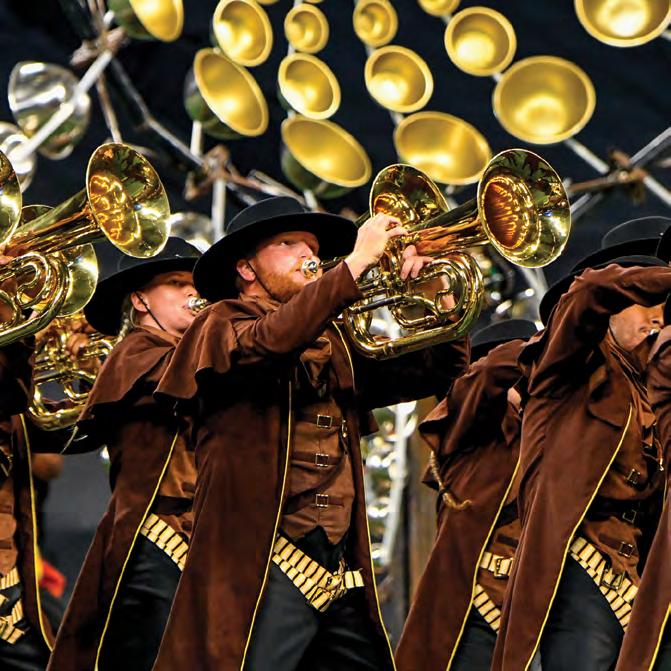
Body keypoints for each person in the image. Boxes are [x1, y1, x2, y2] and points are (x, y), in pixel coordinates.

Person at [150, 196, 470, 670]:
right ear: (246, 268)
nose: (308, 254)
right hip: (261, 562)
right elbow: (272, 341)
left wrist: (440, 297)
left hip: (339, 566)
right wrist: (355, 265)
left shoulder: (333, 338)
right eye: (288, 243)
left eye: (313, 247)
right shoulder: (222, 323)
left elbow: (434, 373)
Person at [493, 217, 671, 671]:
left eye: (665, 308)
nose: (657, 317)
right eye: (644, 302)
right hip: (577, 567)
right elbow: (588, 291)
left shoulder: (657, 387)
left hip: (638, 580)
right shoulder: (570, 364)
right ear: (610, 308)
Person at [47, 238, 202, 671]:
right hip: (155, 543)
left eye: (195, 283)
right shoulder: (136, 353)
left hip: (197, 542)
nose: (193, 292)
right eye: (176, 282)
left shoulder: (194, 353)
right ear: (140, 300)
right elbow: (189, 379)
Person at [395, 319, 537, 671]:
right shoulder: (470, 423)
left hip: (534, 612)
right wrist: (545, 342)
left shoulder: (545, 432)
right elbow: (488, 376)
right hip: (477, 606)